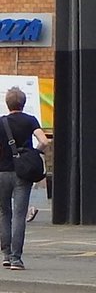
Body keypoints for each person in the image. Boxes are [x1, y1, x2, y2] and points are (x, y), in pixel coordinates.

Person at [1, 87, 50, 271]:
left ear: (7, 103)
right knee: (19, 215)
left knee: (4, 213)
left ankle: (6, 255)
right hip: (23, 173)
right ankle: (16, 259)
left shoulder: (1, 122)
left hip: (2, 172)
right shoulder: (30, 120)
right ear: (23, 103)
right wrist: (34, 153)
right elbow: (44, 141)